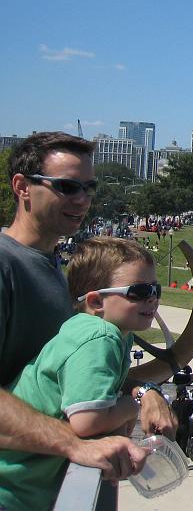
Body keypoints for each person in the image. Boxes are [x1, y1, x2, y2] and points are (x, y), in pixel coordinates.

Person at [0, 132, 170, 495]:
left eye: (88, 188)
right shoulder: (4, 265)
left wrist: (143, 392)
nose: (82, 200)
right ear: (22, 187)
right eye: (66, 186)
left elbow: (71, 372)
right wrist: (75, 444)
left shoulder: (50, 268)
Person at [0, 237, 163, 511]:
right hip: (13, 491)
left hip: (26, 485)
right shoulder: (99, 337)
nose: (152, 298)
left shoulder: (117, 334)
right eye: (139, 290)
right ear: (96, 300)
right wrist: (130, 406)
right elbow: (87, 421)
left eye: (155, 289)